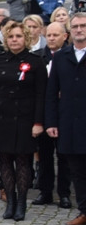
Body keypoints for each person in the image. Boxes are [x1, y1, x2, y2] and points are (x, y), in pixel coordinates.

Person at [0, 22, 47, 221]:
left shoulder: (35, 61)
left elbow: (41, 94)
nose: (15, 40)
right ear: (6, 40)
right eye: (11, 37)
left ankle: (22, 203)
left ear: (25, 38)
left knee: (23, 161)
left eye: (18, 36)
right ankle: (10, 202)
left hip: (25, 119)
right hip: (0, 119)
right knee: (5, 161)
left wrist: (38, 122)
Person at [46, 11, 86, 225]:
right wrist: (51, 122)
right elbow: (52, 92)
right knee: (77, 171)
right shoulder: (62, 56)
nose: (80, 30)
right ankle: (83, 210)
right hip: (69, 123)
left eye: (83, 26)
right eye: (76, 26)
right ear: (70, 31)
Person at [34, 21, 72, 208]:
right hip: (43, 112)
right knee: (44, 155)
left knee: (64, 155)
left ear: (65, 36)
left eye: (55, 35)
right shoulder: (38, 57)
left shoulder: (70, 56)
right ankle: (45, 191)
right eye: (48, 35)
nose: (51, 38)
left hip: (65, 112)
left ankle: (64, 193)